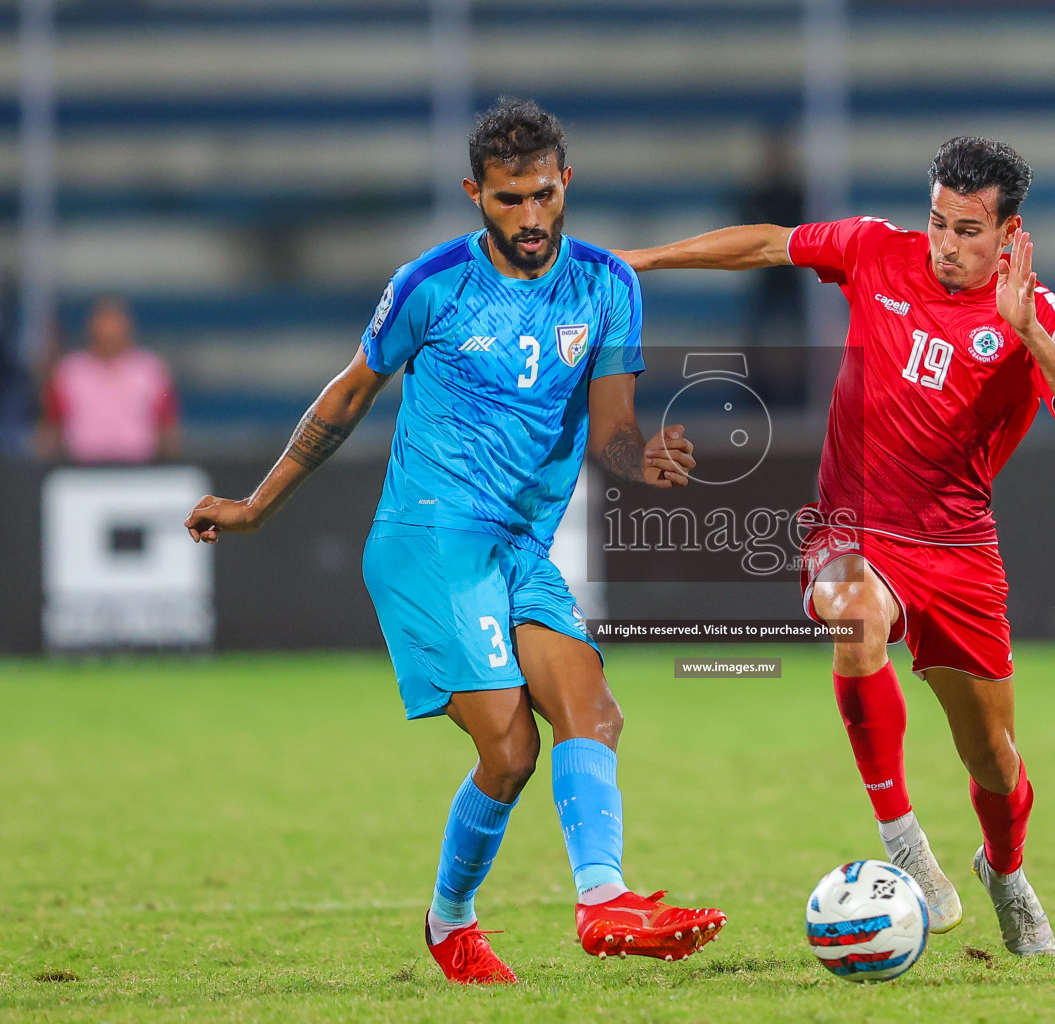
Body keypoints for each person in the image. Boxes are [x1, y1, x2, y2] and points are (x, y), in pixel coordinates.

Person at [183, 98, 725, 984]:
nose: (530, 219)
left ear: (567, 185)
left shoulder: (607, 286)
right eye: (508, 201)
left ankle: (601, 904)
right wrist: (256, 505)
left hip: (517, 547)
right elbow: (349, 395)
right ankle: (454, 923)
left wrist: (645, 459)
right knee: (510, 749)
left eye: (544, 196)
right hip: (428, 538)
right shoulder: (431, 284)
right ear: (476, 194)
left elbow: (614, 431)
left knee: (592, 711)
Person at [616, 137, 1055, 956]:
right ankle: (903, 844)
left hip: (956, 545)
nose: (946, 245)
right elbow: (771, 241)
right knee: (854, 620)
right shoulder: (877, 250)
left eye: (967, 230)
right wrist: (643, 257)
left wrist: (1031, 335)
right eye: (938, 223)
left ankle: (1006, 871)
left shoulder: (1038, 312)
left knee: (992, 756)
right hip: (851, 524)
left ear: (1010, 234)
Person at [39, 296, 180, 464]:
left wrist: (172, 463)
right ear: (90, 327)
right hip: (82, 469)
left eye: (115, 324)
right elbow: (53, 425)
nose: (109, 332)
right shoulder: (69, 371)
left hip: (139, 468)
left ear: (128, 327)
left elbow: (166, 424)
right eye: (103, 324)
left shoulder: (149, 369)